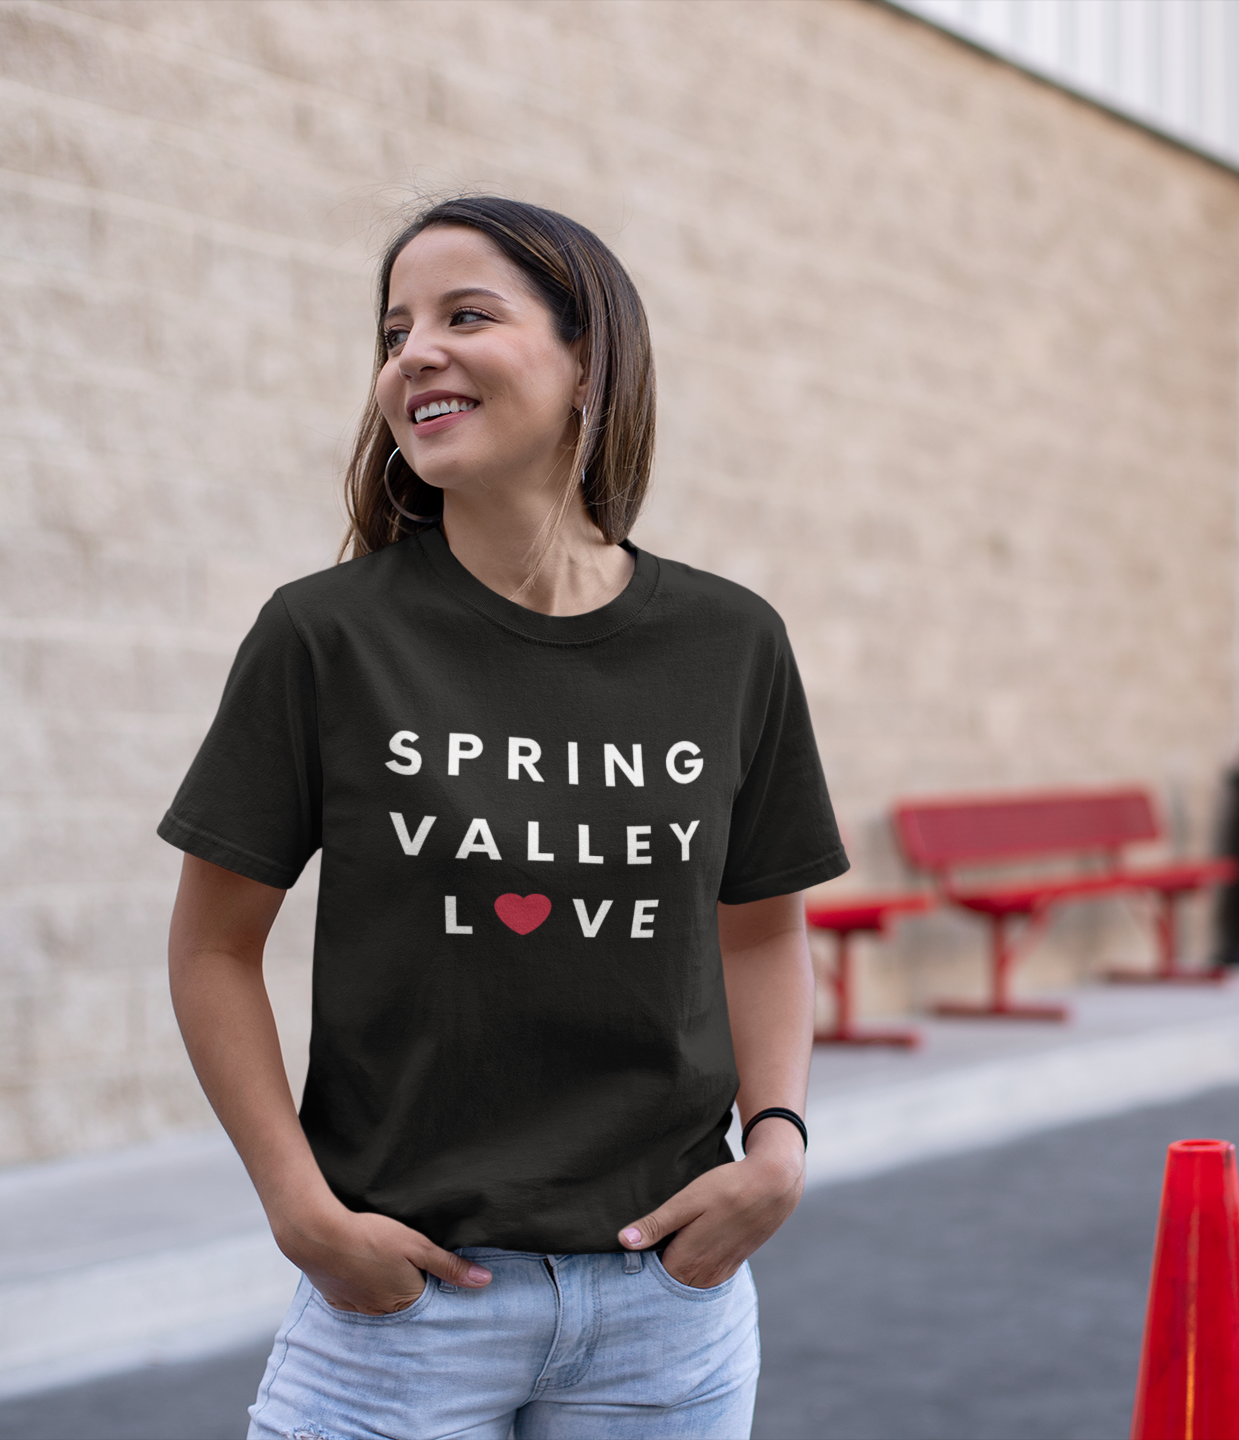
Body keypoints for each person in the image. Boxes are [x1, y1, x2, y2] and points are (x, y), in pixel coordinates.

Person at [160, 195, 848, 1440]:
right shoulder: (325, 638)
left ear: (591, 359)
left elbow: (758, 929)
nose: (412, 351)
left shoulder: (731, 642)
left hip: (667, 1309)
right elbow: (213, 946)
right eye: (394, 330)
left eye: (465, 315)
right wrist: (300, 1211)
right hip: (406, 1309)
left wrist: (780, 1146)